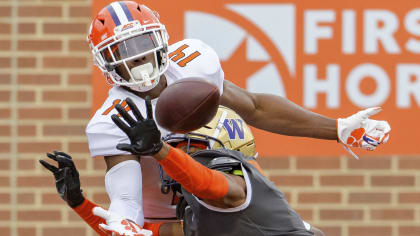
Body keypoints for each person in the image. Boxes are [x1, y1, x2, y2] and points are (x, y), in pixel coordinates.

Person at [85, 0, 390, 231]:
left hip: (233, 203)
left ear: (160, 40)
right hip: (176, 225)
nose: (136, 56)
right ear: (107, 64)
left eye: (142, 43)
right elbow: (126, 197)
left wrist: (336, 129)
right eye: (120, 51)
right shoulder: (112, 119)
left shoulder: (192, 64)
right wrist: (125, 224)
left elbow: (254, 107)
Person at [40, 101, 325, 236]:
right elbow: (139, 233)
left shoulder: (244, 187)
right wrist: (79, 203)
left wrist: (160, 151)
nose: (180, 154)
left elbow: (212, 186)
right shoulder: (196, 214)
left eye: (191, 148)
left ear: (227, 150)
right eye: (176, 147)